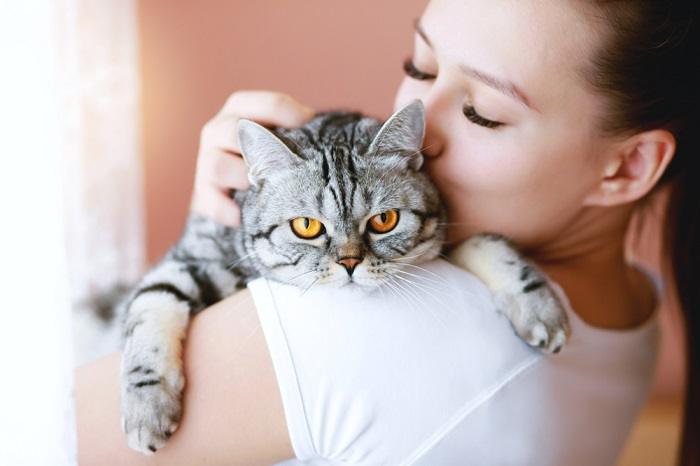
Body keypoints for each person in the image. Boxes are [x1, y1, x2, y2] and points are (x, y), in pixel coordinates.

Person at [75, 0, 699, 464]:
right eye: (420, 66)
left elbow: (37, 437)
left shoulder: (354, 326)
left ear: (631, 165)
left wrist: (207, 243)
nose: (419, 127)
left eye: (484, 112)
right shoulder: (638, 301)